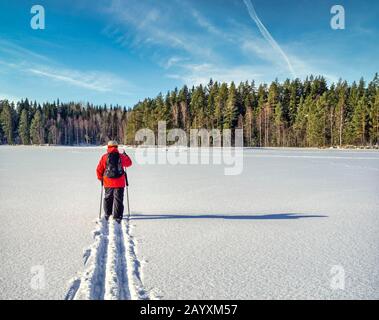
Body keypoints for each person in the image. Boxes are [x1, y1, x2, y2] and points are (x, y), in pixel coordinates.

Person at [96, 140, 132, 223]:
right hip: (119, 182)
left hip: (108, 181)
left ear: (108, 147)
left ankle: (108, 214)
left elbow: (99, 169)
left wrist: (100, 178)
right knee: (118, 199)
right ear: (117, 147)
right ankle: (118, 216)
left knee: (108, 197)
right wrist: (125, 155)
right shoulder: (121, 156)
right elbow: (129, 163)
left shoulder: (104, 157)